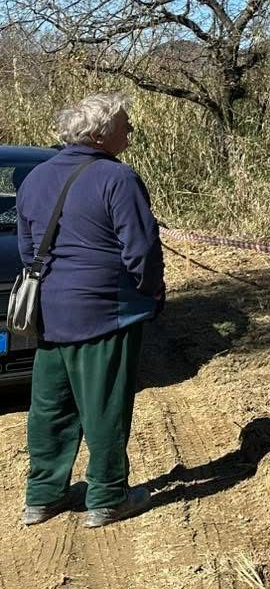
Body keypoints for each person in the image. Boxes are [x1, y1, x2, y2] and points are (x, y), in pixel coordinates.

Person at [16, 93, 165, 528]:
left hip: (51, 311)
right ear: (101, 133)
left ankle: (43, 495)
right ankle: (108, 495)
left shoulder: (36, 178)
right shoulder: (118, 179)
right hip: (105, 310)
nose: (130, 131)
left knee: (50, 406)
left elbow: (29, 252)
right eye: (125, 124)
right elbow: (141, 249)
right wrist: (152, 292)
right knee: (105, 407)